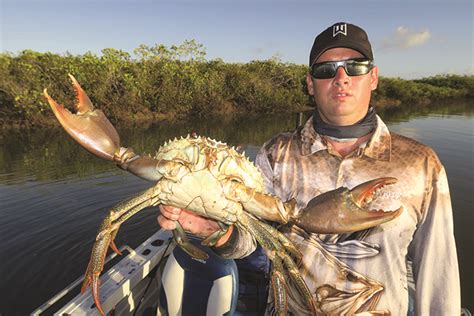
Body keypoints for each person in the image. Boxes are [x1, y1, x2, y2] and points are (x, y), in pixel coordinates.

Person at [159, 22, 461, 315]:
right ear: (310, 83)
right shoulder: (276, 154)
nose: (341, 77)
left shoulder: (420, 163)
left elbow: (438, 272)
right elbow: (254, 240)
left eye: (355, 66)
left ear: (373, 77)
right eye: (326, 69)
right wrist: (218, 231)